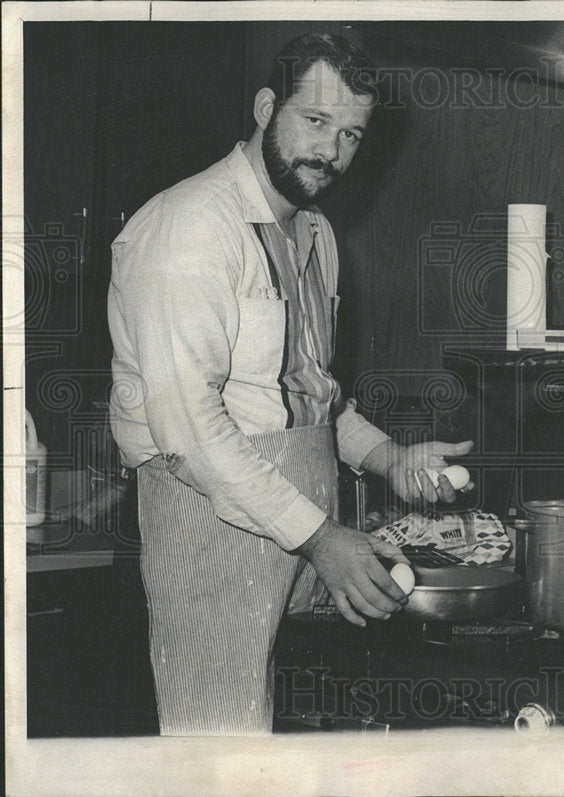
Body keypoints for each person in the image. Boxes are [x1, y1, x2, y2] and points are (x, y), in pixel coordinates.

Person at [107, 33, 472, 735]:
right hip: (213, 534)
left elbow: (309, 395)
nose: (331, 152)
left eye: (351, 135)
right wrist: (321, 538)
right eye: (315, 122)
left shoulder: (316, 233)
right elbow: (190, 435)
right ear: (266, 106)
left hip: (303, 536)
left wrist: (387, 458)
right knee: (217, 755)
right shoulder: (189, 230)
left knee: (301, 744)